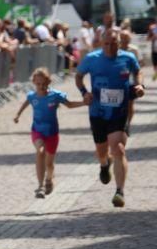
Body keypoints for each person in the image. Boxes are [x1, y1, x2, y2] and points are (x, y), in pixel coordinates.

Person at [74, 27, 144, 207]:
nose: (110, 47)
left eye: (114, 44)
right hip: (97, 112)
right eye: (106, 44)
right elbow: (79, 76)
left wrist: (139, 85)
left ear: (119, 43)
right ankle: (104, 164)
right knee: (101, 150)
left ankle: (119, 191)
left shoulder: (128, 58)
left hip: (120, 112)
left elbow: (138, 72)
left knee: (118, 148)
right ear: (101, 43)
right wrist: (84, 93)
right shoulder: (92, 58)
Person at [12, 68, 87, 198]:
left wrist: (84, 103)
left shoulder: (55, 95)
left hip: (52, 133)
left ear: (48, 82)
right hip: (37, 131)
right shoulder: (32, 96)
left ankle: (49, 178)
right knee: (40, 151)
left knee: (49, 164)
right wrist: (17, 115)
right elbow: (25, 104)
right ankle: (40, 186)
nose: (41, 87)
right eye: (38, 84)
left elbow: (69, 104)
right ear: (34, 82)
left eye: (44, 84)